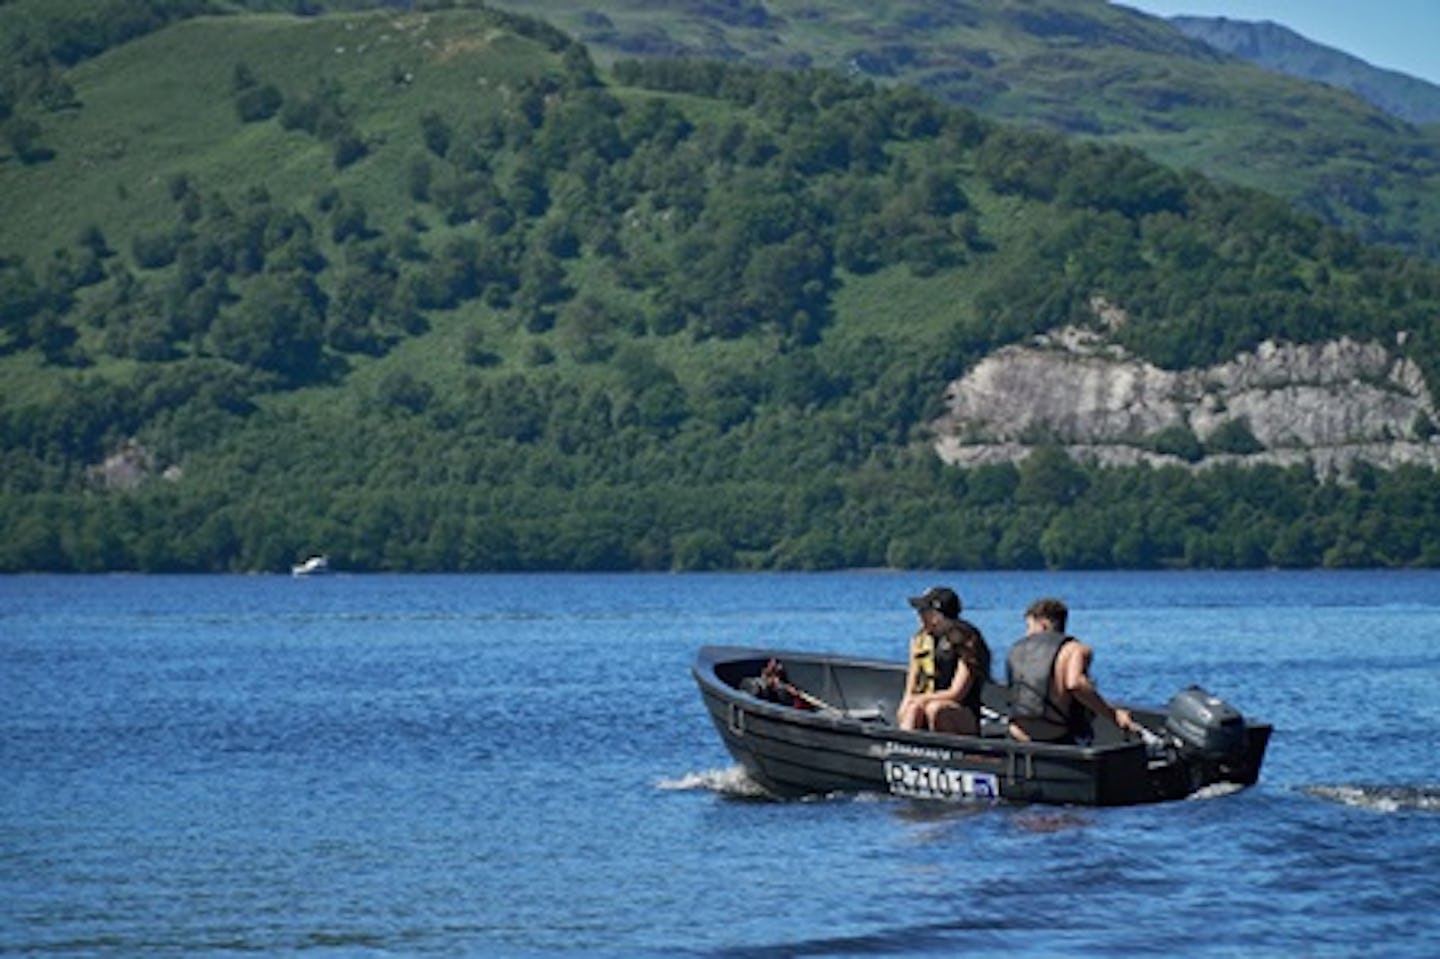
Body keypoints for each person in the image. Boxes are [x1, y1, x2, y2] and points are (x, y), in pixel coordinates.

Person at [1006, 597, 1139, 744]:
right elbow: (1075, 684)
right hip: (1054, 735)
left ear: (1043, 625)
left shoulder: (1016, 649)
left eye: (1029, 626)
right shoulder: (1075, 649)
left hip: (1017, 734)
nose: (1027, 633)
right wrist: (1113, 715)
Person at [897, 586, 992, 735]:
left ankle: (950, 754)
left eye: (923, 612)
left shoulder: (966, 639)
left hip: (961, 713)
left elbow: (956, 693)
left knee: (935, 709)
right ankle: (901, 749)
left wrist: (920, 699)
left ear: (937, 615)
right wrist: (908, 703)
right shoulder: (920, 640)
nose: (919, 616)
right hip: (924, 704)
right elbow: (912, 684)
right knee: (913, 709)